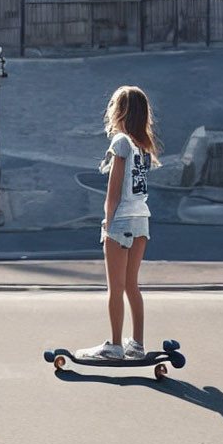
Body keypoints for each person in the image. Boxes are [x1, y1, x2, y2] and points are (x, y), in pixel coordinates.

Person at [76, 86, 160, 360]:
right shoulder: (142, 145)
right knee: (132, 285)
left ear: (121, 111)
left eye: (113, 104)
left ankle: (114, 345)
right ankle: (137, 343)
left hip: (121, 221)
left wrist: (106, 223)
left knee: (115, 288)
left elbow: (113, 193)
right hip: (141, 220)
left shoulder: (121, 142)